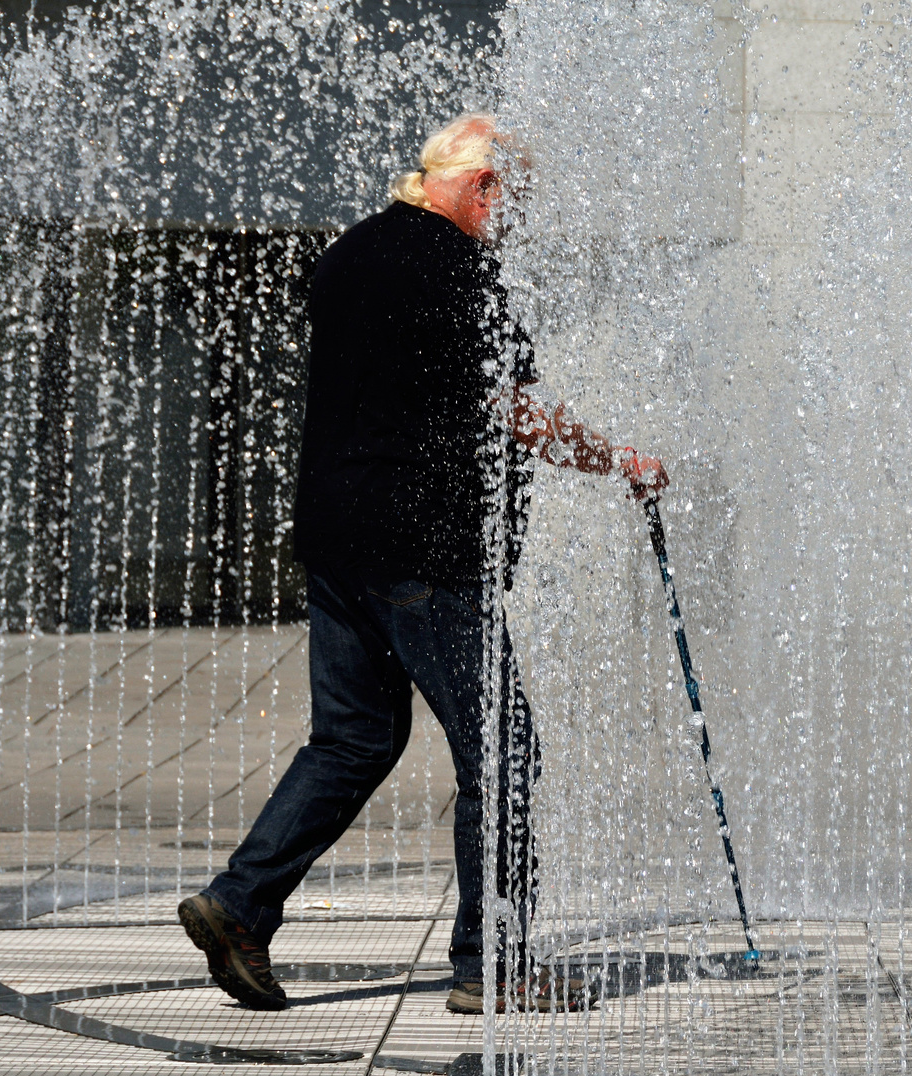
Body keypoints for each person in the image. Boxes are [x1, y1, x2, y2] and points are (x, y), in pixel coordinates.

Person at [176, 114, 667, 1015]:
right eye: (514, 199)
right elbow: (519, 415)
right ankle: (493, 963)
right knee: (505, 753)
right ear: (483, 186)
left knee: (356, 739)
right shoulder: (457, 267)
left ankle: (240, 906)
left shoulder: (352, 252)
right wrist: (620, 461)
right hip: (424, 550)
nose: (517, 220)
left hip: (336, 542)